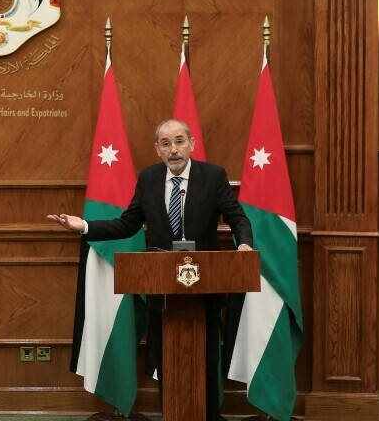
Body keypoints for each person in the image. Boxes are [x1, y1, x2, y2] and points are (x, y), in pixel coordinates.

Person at [48, 119, 253, 421]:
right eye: (166, 143)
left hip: (206, 284)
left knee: (207, 360)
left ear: (192, 144)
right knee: (167, 360)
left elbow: (237, 217)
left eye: (180, 141)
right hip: (162, 287)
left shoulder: (213, 176)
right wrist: (86, 225)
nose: (174, 150)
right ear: (157, 149)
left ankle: (208, 416)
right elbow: (128, 223)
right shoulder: (148, 179)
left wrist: (244, 245)